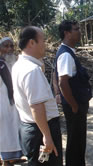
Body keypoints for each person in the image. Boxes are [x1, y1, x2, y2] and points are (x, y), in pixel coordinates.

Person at [12, 26, 62, 165]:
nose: (45, 45)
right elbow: (36, 106)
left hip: (29, 128)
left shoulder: (19, 65)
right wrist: (47, 136)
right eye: (43, 41)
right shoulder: (31, 70)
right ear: (32, 43)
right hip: (40, 130)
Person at [55, 20, 92, 166]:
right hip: (74, 106)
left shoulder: (67, 52)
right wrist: (74, 105)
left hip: (75, 104)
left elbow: (56, 76)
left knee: (77, 140)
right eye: (76, 29)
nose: (80, 32)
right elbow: (62, 82)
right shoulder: (65, 55)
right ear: (67, 33)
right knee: (76, 142)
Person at [0, 37, 25, 166]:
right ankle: (6, 159)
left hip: (14, 104)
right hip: (2, 105)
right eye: (6, 46)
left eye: (11, 46)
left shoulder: (15, 63)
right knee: (5, 133)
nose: (9, 49)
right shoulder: (1, 64)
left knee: (14, 129)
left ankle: (13, 158)